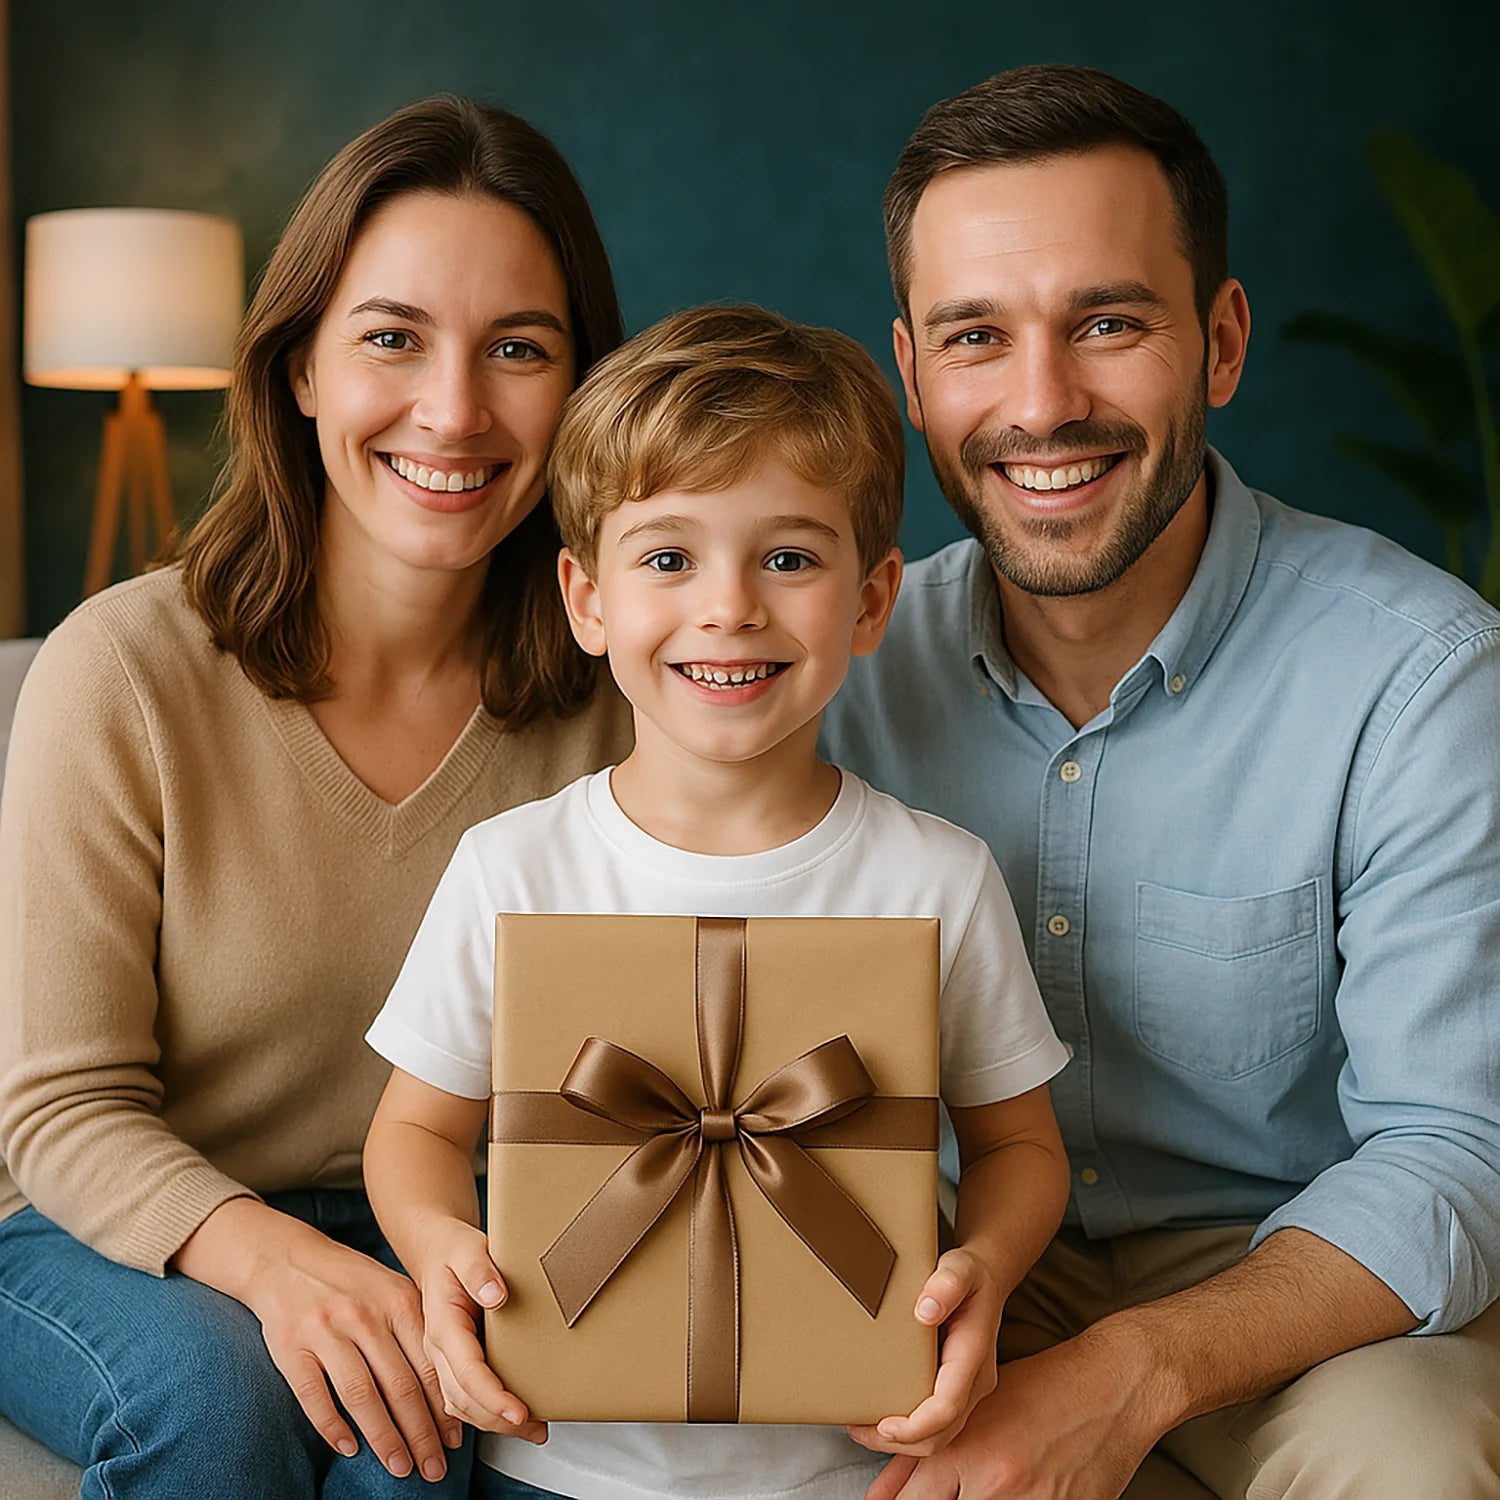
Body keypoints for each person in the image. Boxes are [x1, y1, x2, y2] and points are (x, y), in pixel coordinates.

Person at [817, 63, 1500, 1500]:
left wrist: (1132, 1372)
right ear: (912, 374)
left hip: (1297, 1282)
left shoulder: (1423, 677)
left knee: (1414, 1465)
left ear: (1223, 339)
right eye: (977, 339)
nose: (1043, 404)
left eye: (1109, 323)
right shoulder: (832, 666)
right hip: (944, 1274)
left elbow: (1457, 1146)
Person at [0, 96, 633, 1498]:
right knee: (218, 1400)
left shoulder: (624, 698)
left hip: (449, 1218)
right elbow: (59, 1114)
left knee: (420, 1455)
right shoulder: (122, 672)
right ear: (297, 370)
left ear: (581, 390)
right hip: (95, 1217)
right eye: (392, 337)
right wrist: (289, 1268)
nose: (454, 410)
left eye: (518, 348)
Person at [361, 303, 1074, 1500]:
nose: (729, 606)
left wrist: (984, 1276)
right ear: (589, 600)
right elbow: (417, 1130)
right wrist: (442, 1255)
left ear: (871, 600)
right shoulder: (511, 867)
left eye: (788, 558)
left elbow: (1018, 1148)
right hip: (555, 1464)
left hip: (848, 1470)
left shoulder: (938, 878)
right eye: (669, 557)